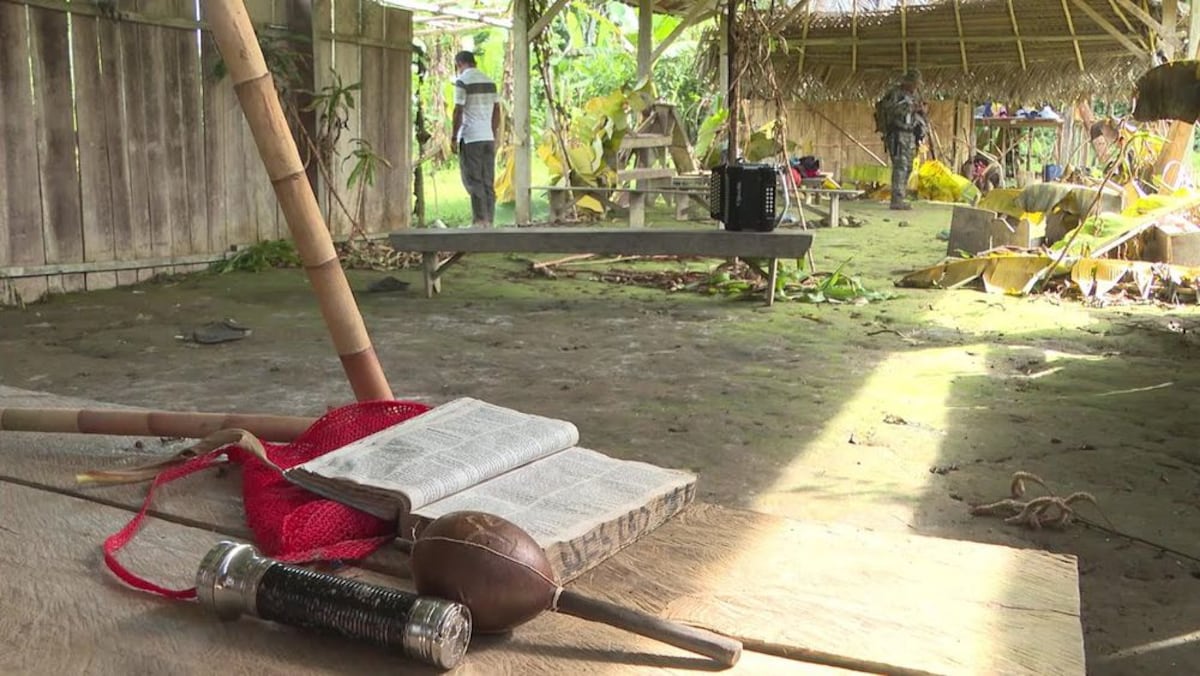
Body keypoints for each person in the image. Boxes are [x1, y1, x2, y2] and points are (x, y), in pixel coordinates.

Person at [451, 50, 500, 227]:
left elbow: (458, 110)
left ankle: (480, 220)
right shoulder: (490, 82)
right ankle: (490, 219)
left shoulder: (462, 81)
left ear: (459, 64)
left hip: (471, 137)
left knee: (473, 180)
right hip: (487, 136)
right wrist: (492, 132)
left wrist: (454, 136)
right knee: (488, 180)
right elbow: (497, 110)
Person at [874, 69, 929, 210]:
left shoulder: (914, 95)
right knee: (900, 166)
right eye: (914, 83)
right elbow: (890, 110)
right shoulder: (895, 94)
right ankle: (897, 200)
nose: (916, 87)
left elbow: (918, 114)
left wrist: (921, 112)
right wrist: (911, 108)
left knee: (909, 166)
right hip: (898, 133)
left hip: (911, 135)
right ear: (908, 82)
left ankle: (901, 196)